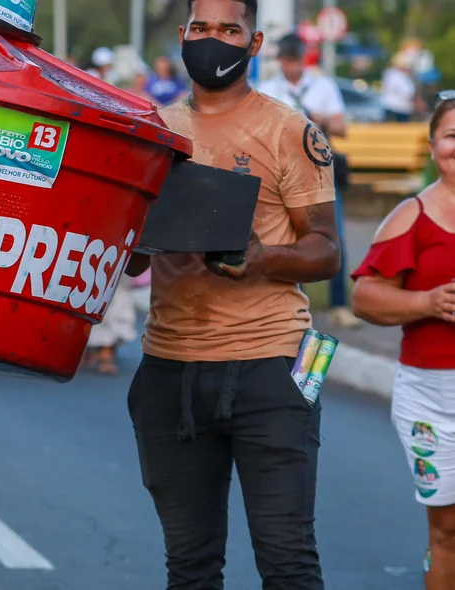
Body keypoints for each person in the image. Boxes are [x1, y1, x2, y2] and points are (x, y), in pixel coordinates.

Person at [123, 1, 342, 588]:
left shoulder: (288, 129)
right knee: (190, 569)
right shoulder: (153, 131)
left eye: (228, 29)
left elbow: (326, 249)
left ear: (254, 41)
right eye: (200, 28)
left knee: (287, 562)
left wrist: (262, 258)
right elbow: (134, 256)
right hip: (170, 371)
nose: (212, 39)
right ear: (182, 34)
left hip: (273, 367)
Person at [349, 92, 455, 589]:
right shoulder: (412, 215)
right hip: (432, 398)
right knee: (448, 531)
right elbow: (365, 297)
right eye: (453, 136)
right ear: (433, 146)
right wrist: (427, 303)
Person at [258, 33, 358, 328]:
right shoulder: (268, 89)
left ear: (303, 59)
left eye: (295, 61)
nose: (290, 67)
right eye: (286, 61)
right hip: (282, 172)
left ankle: (339, 304)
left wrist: (316, 119)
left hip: (319, 171)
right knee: (287, 239)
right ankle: (292, 305)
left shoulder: (322, 86)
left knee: (332, 235)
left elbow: (341, 128)